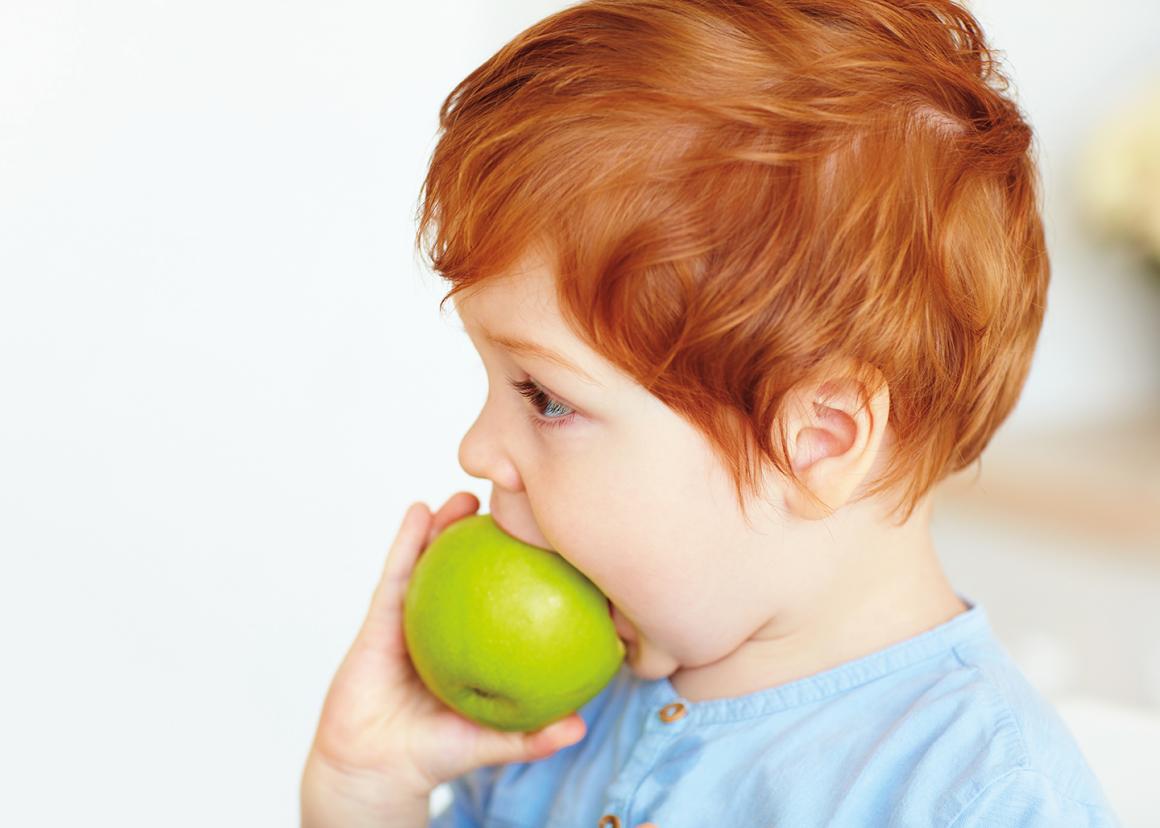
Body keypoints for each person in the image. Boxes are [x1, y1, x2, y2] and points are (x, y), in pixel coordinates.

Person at [301, 1, 1122, 825]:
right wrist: (368, 785)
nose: (477, 450)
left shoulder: (980, 797)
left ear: (816, 440)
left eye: (547, 398)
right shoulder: (559, 729)